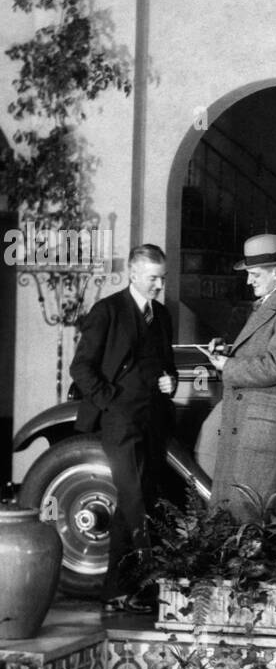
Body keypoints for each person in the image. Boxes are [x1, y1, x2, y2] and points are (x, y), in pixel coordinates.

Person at [70, 244, 177, 613]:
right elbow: (81, 368)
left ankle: (115, 590)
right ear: (133, 274)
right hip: (119, 420)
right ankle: (152, 578)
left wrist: (171, 381)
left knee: (138, 497)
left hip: (153, 421)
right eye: (153, 278)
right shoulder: (108, 311)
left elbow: (167, 364)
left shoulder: (161, 315)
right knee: (134, 497)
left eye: (162, 277)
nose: (160, 285)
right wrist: (109, 401)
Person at [206, 233, 276, 522]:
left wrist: (228, 365)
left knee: (250, 510)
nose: (249, 280)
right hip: (250, 420)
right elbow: (264, 352)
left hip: (261, 424)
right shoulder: (270, 303)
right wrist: (228, 354)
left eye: (254, 274)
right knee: (237, 508)